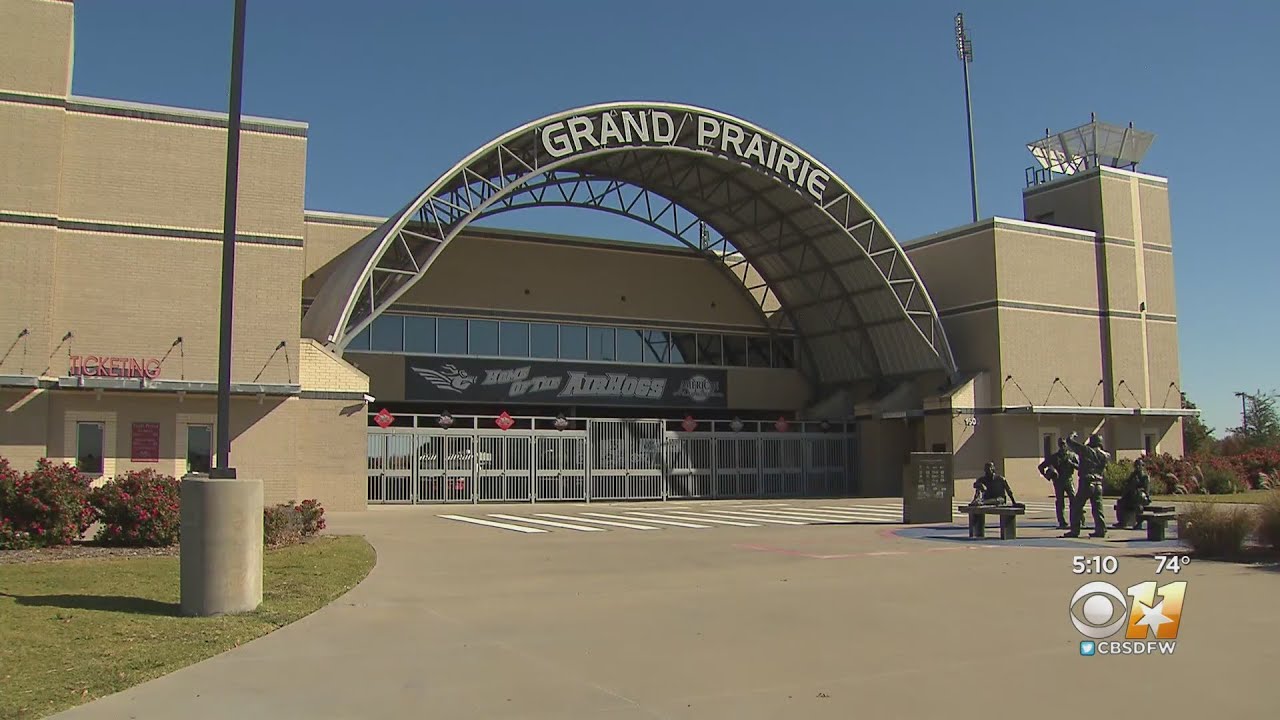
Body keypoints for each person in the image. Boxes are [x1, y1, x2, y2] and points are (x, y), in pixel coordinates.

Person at [1065, 431, 1108, 538]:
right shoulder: (1106, 455)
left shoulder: (1086, 451)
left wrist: (1072, 435)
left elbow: (1070, 442)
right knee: (1098, 509)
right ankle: (1101, 529)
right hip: (1098, 484)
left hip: (1087, 482)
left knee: (1076, 507)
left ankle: (1075, 530)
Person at [1038, 438, 1079, 529]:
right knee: (1060, 502)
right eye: (1061, 444)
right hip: (1058, 481)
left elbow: (1080, 467)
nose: (1063, 446)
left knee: (1074, 501)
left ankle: (1076, 521)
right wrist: (1047, 476)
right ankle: (1062, 522)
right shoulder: (1054, 457)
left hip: (1069, 480)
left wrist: (1072, 464)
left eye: (1064, 444)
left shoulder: (1072, 456)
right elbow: (1041, 467)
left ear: (1066, 445)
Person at [1114, 457, 1152, 529]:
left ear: (1142, 466)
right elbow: (1127, 484)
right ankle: (1122, 522)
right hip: (1132, 497)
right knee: (1120, 502)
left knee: (1138, 504)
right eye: (1136, 465)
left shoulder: (1145, 477)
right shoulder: (1133, 475)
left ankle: (1139, 523)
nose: (1137, 467)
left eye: (1139, 465)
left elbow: (1146, 490)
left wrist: (1137, 489)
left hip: (1141, 498)